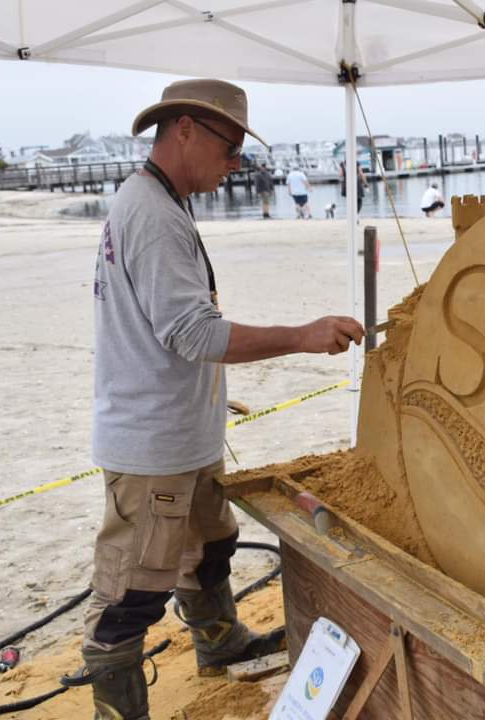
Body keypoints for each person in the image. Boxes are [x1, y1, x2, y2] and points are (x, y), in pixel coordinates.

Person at [88, 78, 364, 719]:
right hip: (152, 444)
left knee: (210, 543)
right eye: (230, 146)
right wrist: (304, 334)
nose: (234, 163)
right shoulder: (154, 216)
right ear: (184, 129)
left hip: (184, 434)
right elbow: (192, 333)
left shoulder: (161, 201)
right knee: (129, 592)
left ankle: (219, 642)